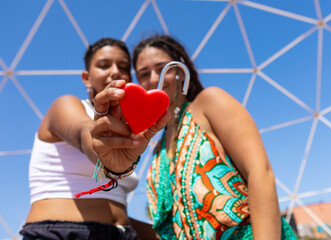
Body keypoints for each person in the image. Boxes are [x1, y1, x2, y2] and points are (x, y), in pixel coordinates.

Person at [91, 34, 298, 239]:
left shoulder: (209, 103)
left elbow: (260, 173)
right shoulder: (156, 151)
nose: (154, 79)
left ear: (182, 71)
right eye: (144, 74)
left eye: (164, 68)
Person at [20, 37, 168, 240]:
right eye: (104, 65)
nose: (115, 71)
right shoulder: (66, 105)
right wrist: (100, 146)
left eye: (123, 67)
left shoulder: (130, 127)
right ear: (86, 77)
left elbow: (113, 208)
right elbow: (84, 134)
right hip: (62, 233)